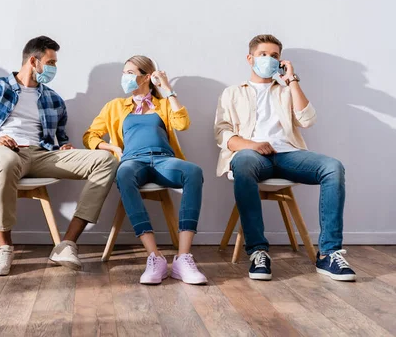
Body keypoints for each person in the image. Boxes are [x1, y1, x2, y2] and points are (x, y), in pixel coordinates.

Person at [0, 36, 117, 276]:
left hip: (42, 154)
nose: (54, 68)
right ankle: (4, 247)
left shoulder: (53, 98)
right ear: (33, 61)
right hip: (3, 151)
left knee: (105, 160)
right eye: (51, 62)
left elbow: (61, 137)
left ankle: (66, 245)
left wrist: (65, 147)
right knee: (6, 160)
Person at [214, 34, 356, 282]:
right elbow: (222, 133)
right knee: (243, 161)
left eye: (274, 55)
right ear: (250, 58)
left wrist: (291, 80)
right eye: (263, 54)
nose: (269, 59)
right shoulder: (232, 93)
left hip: (288, 154)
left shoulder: (286, 90)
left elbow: (308, 120)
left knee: (333, 167)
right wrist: (253, 145)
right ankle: (258, 251)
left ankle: (329, 254)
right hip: (252, 156)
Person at [84, 55, 207, 285]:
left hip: (164, 161)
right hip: (133, 161)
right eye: (124, 73)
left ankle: (183, 258)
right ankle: (155, 257)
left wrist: (168, 90)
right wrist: (111, 147)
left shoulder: (163, 104)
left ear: (147, 76)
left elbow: (182, 124)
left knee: (193, 172)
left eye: (130, 73)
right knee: (123, 173)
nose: (125, 77)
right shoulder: (115, 106)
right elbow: (89, 135)